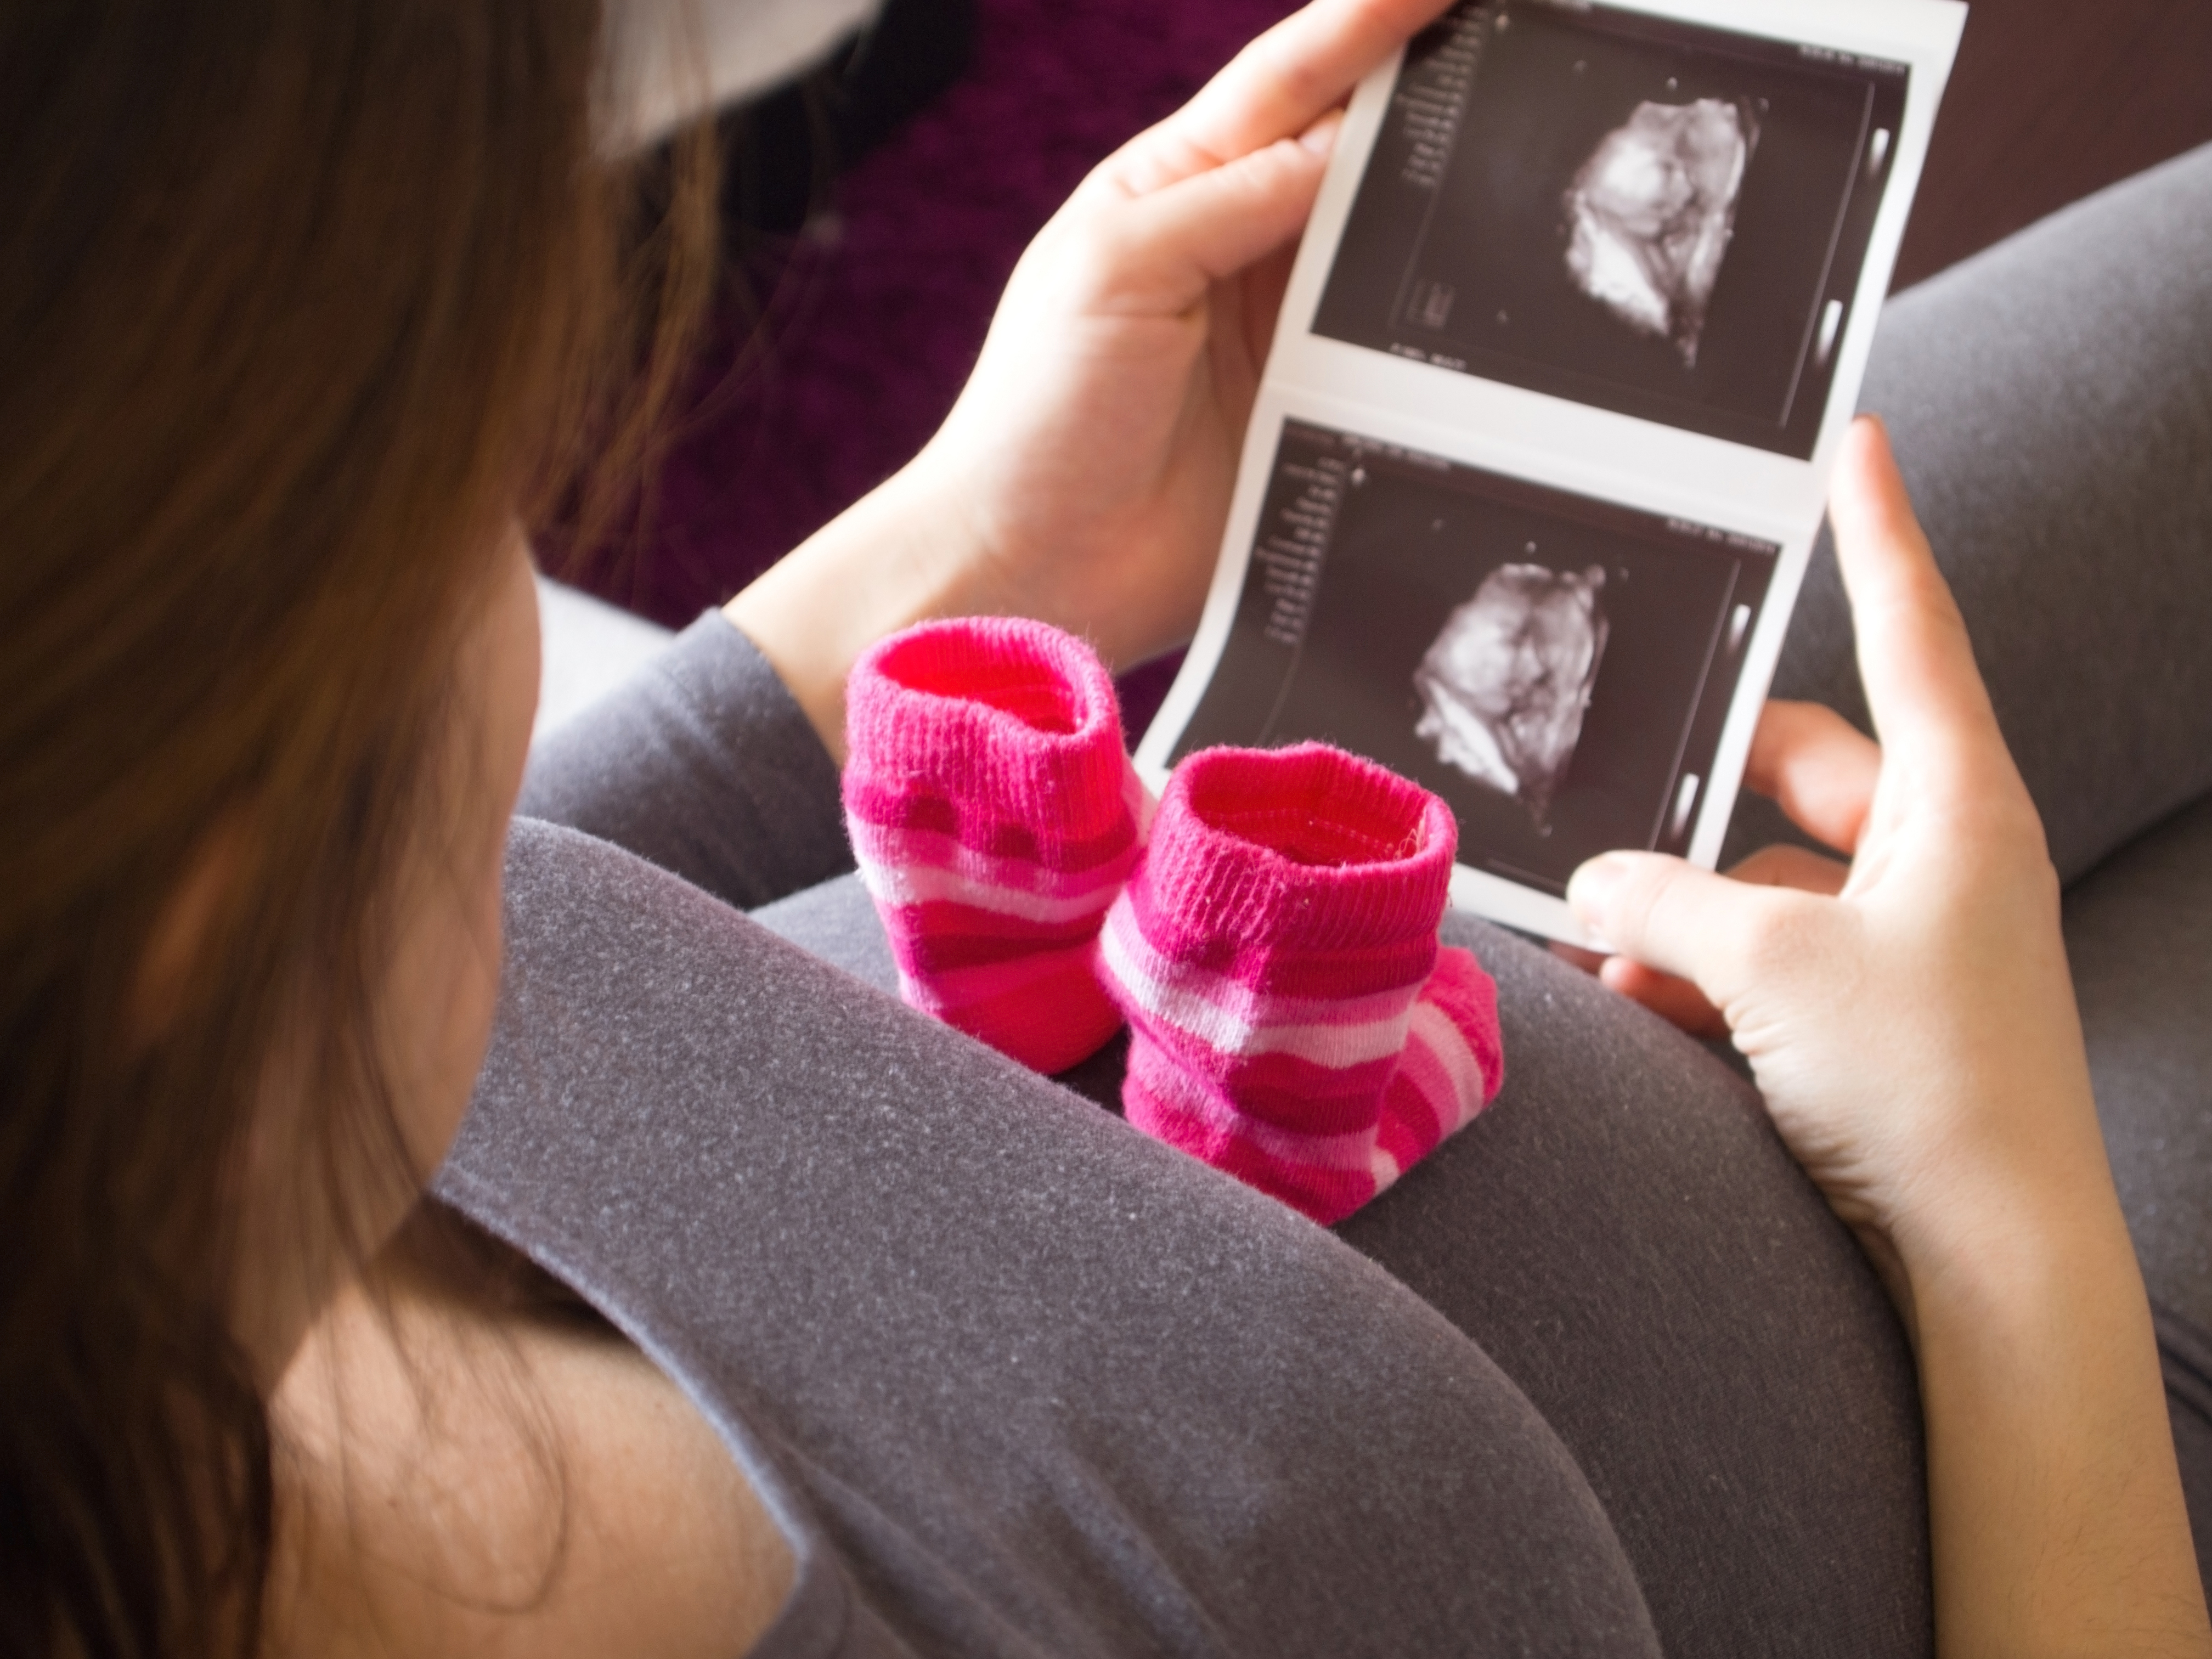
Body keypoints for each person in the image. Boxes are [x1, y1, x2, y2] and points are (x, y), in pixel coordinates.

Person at [2, 3, 2207, 1657]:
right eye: (438, 502)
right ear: (207, 870)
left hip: (1561, 931)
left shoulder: (164, 1102)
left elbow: (510, 932)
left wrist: (971, 542)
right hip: (2036, 1438)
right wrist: (2004, 1218)